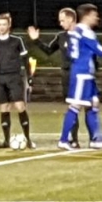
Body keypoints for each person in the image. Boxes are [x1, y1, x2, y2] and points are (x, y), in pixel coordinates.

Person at [58, 4, 102, 150]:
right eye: (94, 15)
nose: (96, 18)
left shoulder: (75, 31)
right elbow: (100, 51)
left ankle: (96, 140)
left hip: (84, 73)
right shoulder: (85, 31)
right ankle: (63, 140)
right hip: (82, 73)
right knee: (75, 106)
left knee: (93, 103)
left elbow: (71, 52)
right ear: (86, 16)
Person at [27, 8, 81, 148]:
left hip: (80, 74)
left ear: (70, 19)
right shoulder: (61, 36)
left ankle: (91, 138)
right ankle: (73, 138)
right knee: (71, 106)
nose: (60, 23)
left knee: (84, 107)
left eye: (62, 20)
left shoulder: (82, 35)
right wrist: (36, 40)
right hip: (66, 74)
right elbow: (49, 50)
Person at [0, 12, 34, 148]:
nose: (1, 27)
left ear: (9, 25)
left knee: (20, 106)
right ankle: (6, 141)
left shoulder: (17, 41)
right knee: (4, 108)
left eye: (4, 24)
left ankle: (28, 139)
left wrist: (29, 78)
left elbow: (26, 60)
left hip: (14, 77)